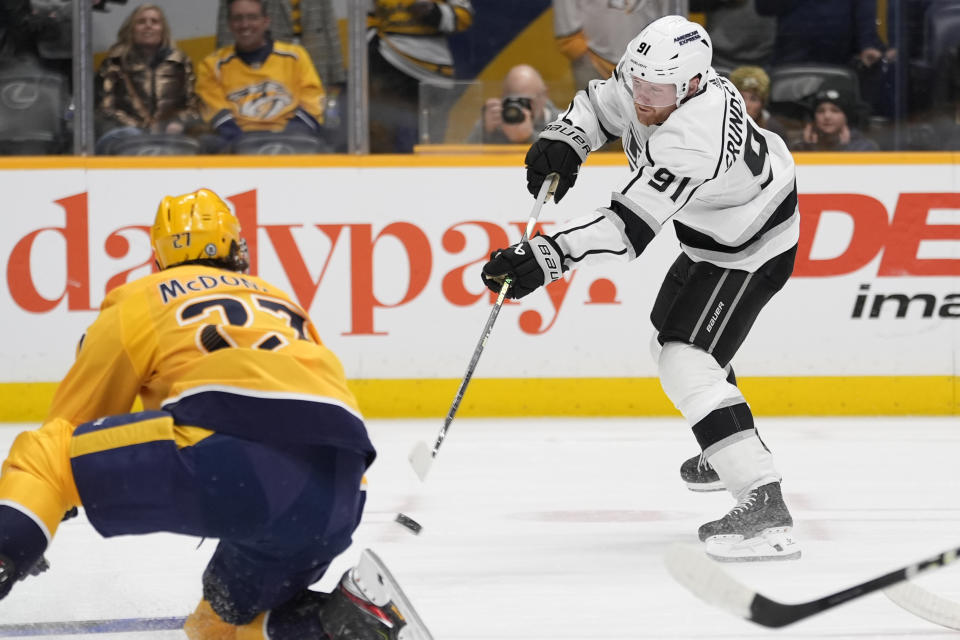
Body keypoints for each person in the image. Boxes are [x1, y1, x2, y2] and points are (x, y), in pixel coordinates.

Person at [0, 188, 432, 639]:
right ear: (233, 246)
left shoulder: (141, 297)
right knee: (218, 623)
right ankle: (342, 624)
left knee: (43, 452)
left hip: (237, 461)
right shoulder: (282, 302)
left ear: (159, 256)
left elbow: (72, 427)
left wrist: (25, 527)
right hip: (340, 495)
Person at [481, 15, 801, 561]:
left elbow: (626, 229)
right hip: (712, 233)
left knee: (686, 360)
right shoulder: (654, 83)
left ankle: (763, 500)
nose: (644, 99)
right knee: (668, 341)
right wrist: (565, 139)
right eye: (638, 82)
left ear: (694, 85)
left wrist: (545, 256)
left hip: (751, 245)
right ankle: (728, 449)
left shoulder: (693, 137)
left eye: (657, 91)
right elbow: (602, 105)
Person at [215, 0, 347, 150]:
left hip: (315, 51)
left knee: (314, 122)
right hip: (264, 58)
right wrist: (229, 64)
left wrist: (336, 73)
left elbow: (328, 20)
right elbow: (234, 21)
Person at [368, 0, 475, 152]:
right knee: (381, 138)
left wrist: (433, 12)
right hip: (388, 63)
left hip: (432, 71)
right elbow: (364, 16)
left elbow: (465, 16)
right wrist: (373, 46)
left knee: (430, 142)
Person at [94, 4, 201, 155]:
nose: (148, 26)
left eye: (154, 22)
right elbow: (105, 109)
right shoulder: (114, 63)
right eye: (141, 22)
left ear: (163, 30)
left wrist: (178, 122)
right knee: (130, 137)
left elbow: (194, 105)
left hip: (170, 137)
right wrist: (141, 128)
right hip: (125, 136)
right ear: (132, 29)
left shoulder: (180, 63)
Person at [553, 0, 673, 90]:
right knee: (595, 120)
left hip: (647, 61)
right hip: (593, 62)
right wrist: (578, 49)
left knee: (646, 120)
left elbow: (669, 11)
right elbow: (565, 20)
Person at [466, 64, 559, 144]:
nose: (520, 109)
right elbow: (464, 159)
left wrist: (530, 137)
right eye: (511, 101)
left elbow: (566, 160)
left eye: (525, 102)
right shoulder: (496, 122)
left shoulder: (565, 121)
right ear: (501, 98)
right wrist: (485, 132)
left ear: (544, 95)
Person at [791, 86, 879, 151]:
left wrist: (844, 148)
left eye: (835, 111)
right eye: (821, 111)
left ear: (846, 117)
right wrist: (808, 148)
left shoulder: (864, 148)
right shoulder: (799, 148)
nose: (827, 116)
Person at [728, 65, 788, 145]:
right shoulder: (719, 124)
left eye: (753, 99)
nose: (746, 105)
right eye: (741, 97)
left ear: (762, 104)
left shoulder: (774, 131)